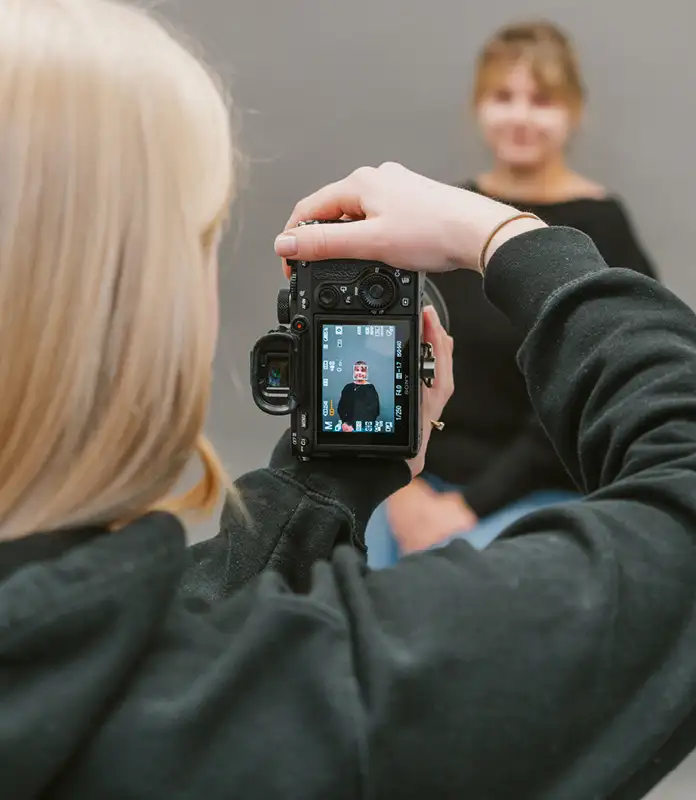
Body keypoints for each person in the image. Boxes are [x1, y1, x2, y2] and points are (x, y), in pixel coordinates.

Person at [3, 2, 696, 799]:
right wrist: (506, 237)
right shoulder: (335, 702)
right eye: (199, 240)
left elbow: (201, 609)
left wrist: (335, 474)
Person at [365, 20, 660, 567]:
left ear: (573, 112)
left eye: (542, 100)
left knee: (449, 599)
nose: (521, 116)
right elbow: (391, 353)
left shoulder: (604, 226)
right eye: (504, 97)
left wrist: (469, 508)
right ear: (479, 105)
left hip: (535, 494)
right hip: (415, 485)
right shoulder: (444, 212)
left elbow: (596, 389)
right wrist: (403, 485)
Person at [337, 361, 380, 431]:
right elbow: (341, 408)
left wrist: (354, 426)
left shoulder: (370, 388)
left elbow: (374, 411)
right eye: (357, 370)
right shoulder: (348, 387)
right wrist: (345, 423)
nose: (359, 373)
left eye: (362, 371)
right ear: (354, 372)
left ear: (366, 373)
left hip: (363, 426)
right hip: (346, 425)